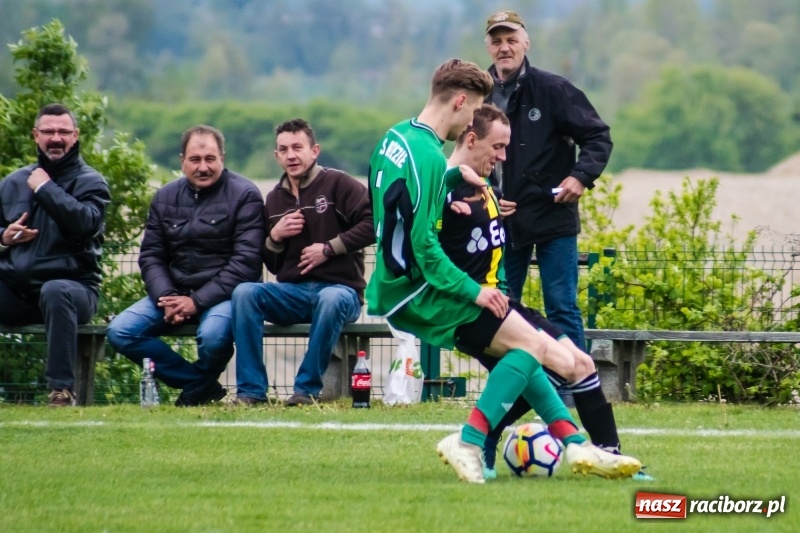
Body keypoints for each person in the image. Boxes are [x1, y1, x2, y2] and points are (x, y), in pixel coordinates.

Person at [367, 59, 640, 483]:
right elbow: (425, 248)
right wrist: (474, 291)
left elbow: (399, 205)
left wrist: (456, 176)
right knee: (533, 348)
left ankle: (576, 445)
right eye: (474, 107)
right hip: (421, 290)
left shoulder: (396, 138)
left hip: (395, 283)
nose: (472, 118)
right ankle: (470, 440)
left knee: (531, 350)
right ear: (460, 101)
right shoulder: (429, 157)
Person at [440, 103, 629, 480]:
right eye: (498, 147)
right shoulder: (445, 187)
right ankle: (475, 440)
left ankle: (607, 454)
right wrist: (448, 193)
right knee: (549, 364)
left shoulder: (484, 184)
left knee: (580, 363)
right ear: (472, 139)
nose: (504, 156)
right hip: (472, 308)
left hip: (503, 302)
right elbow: (420, 229)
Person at [107, 125, 265, 406]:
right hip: (173, 291)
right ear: (182, 160)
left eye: (210, 159)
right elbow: (151, 255)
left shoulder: (245, 195)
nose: (203, 167)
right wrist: (166, 297)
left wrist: (196, 302)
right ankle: (198, 384)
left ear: (222, 158)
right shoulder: (165, 197)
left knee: (214, 337)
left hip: (224, 296)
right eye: (195, 160)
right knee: (121, 330)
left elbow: (246, 264)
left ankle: (199, 386)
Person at [484, 10, 613, 352]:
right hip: (500, 220)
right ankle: (517, 388)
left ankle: (576, 389)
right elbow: (463, 154)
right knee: (502, 307)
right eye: (497, 41)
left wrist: (580, 177)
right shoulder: (478, 93)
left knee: (561, 306)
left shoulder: (553, 89)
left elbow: (598, 136)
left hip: (553, 213)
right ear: (488, 47)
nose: (504, 48)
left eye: (511, 40)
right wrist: (485, 193)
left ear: (526, 43)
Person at [232, 119, 374, 406]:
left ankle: (305, 390)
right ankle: (251, 392)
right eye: (283, 149)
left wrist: (330, 248)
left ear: (315, 150)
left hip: (341, 292)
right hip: (293, 294)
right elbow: (272, 265)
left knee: (332, 298)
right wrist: (274, 237)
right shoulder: (273, 200)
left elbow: (374, 224)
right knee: (244, 293)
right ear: (276, 156)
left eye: (298, 147)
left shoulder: (339, 184)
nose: (291, 155)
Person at [0, 103, 110, 407]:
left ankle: (61, 391)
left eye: (63, 131)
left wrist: (46, 189)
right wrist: (4, 237)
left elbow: (86, 224)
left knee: (55, 289)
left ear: (75, 136)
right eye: (48, 131)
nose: (56, 138)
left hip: (73, 293)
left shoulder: (91, 182)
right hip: (18, 293)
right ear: (36, 135)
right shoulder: (11, 182)